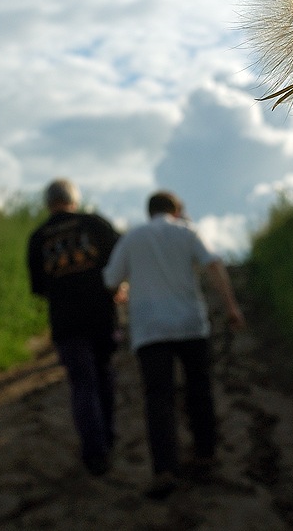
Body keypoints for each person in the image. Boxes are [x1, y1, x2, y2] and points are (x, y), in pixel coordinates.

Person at [102, 190, 246, 500]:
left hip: (150, 330)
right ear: (176, 210)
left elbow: (111, 280)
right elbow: (214, 266)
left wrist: (123, 290)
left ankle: (165, 469)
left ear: (149, 211)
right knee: (199, 390)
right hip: (190, 325)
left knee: (158, 399)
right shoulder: (187, 231)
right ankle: (206, 453)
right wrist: (231, 306)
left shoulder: (132, 238)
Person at [27, 178, 122, 476]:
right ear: (74, 200)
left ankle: (94, 454)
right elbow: (120, 258)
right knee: (103, 374)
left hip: (66, 321)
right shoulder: (94, 224)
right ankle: (106, 435)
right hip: (101, 315)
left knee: (82, 383)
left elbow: (39, 287)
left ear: (48, 203)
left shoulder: (38, 237)